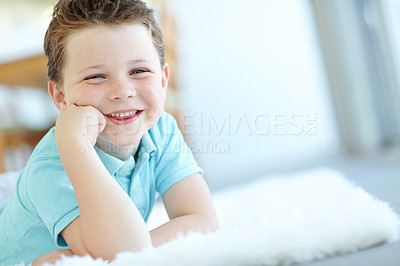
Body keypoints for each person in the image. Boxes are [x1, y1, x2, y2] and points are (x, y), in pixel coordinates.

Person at [0, 0, 218, 265]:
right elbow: (124, 254)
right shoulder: (50, 167)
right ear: (60, 96)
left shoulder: (161, 129)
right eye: (96, 76)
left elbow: (202, 219)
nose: (123, 91)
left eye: (139, 71)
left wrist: (129, 246)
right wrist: (74, 148)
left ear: (162, 81)